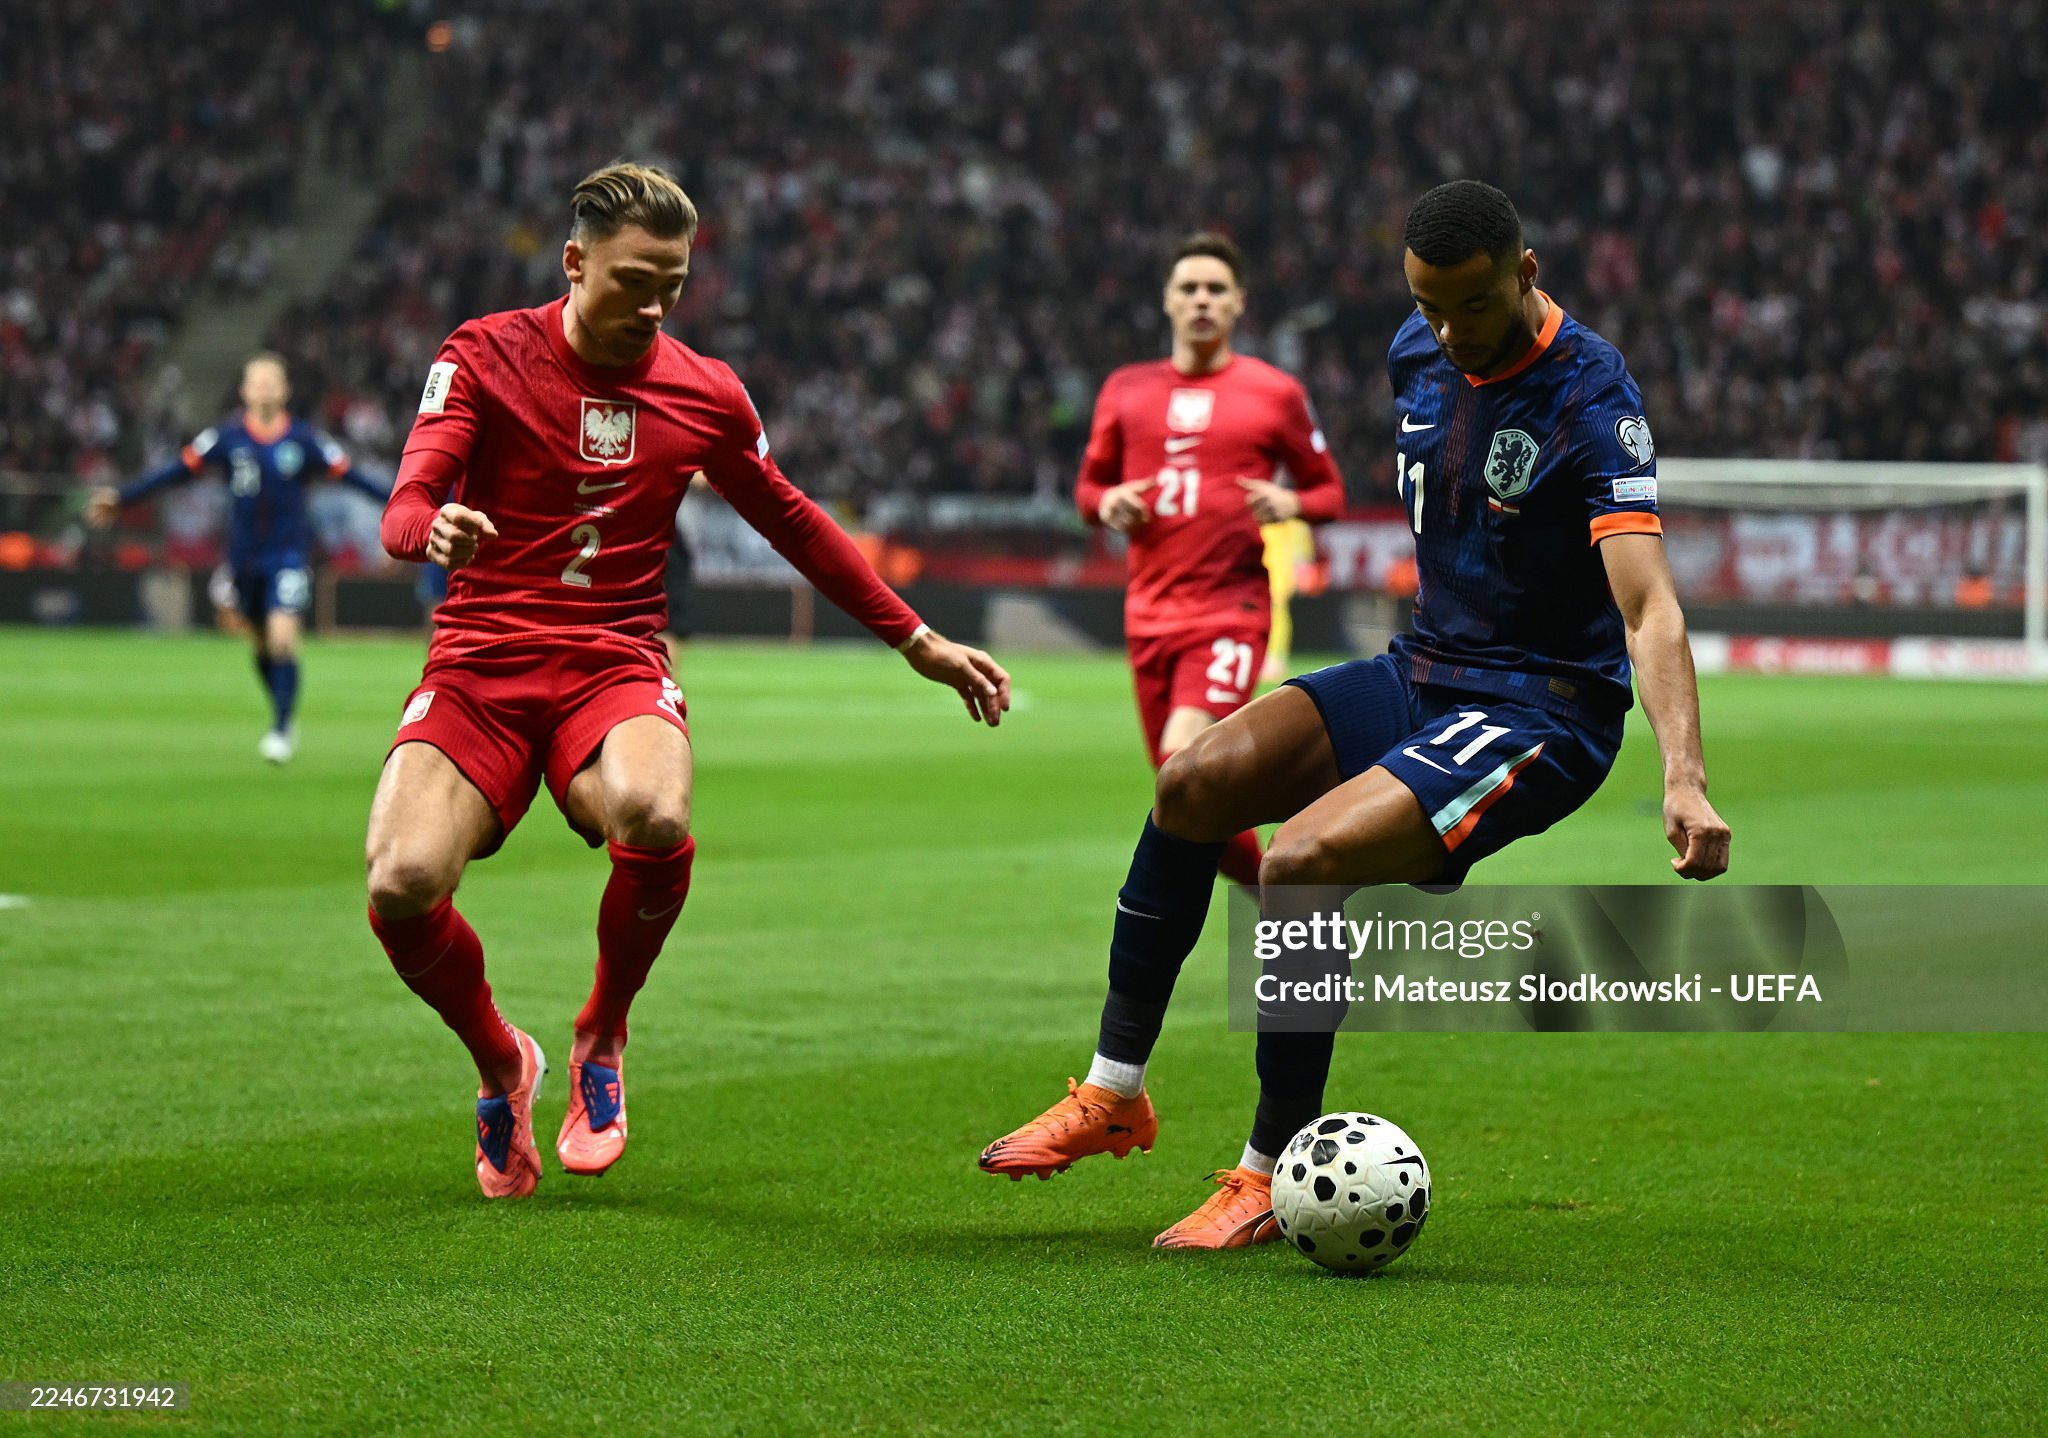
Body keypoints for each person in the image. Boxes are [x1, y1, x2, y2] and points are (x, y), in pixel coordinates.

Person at [979, 181, 1731, 1247]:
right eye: (1427, 306)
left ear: (1525, 273)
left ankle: (1267, 1173)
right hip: (1419, 671)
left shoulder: (1591, 395)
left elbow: (1648, 606)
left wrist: (1683, 776)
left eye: (1470, 305)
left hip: (1540, 707)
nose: (1447, 331)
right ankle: (1112, 1091)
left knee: (1298, 860)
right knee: (1191, 783)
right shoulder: (1415, 351)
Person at [366, 162, 1009, 1200]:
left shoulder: (704, 390)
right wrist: (427, 528)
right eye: (633, 281)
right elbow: (407, 499)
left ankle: (602, 1032)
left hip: (613, 659)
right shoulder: (482, 355)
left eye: (673, 284)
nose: (655, 306)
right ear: (574, 263)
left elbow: (791, 518)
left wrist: (914, 638)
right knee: (399, 883)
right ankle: (502, 1061)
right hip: (480, 662)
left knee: (656, 813)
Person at [1075, 233, 1345, 887]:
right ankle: (1293, 909)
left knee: (1185, 760)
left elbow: (1329, 494)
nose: (1202, 300)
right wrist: (1107, 502)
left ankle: (1304, 869)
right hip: (1148, 613)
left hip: (1230, 607)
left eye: (1216, 289)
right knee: (1186, 795)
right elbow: (1087, 490)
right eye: (1189, 288)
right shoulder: (1125, 390)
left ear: (1238, 303)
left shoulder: (1274, 392)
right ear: (1167, 300)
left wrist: (1290, 501)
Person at [89, 353, 389, 762]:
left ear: (285, 390)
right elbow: (176, 470)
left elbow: (352, 476)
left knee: (283, 639)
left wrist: (402, 501)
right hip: (244, 559)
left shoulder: (304, 440)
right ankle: (280, 708)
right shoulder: (226, 437)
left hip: (288, 554)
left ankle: (281, 727)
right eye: (257, 381)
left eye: (272, 381)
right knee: (262, 645)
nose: (264, 388)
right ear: (245, 391)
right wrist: (123, 500)